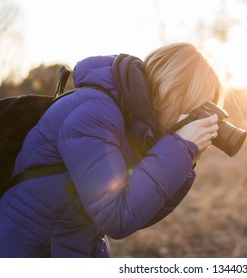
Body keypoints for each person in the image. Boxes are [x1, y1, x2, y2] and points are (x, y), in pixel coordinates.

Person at [0, 42, 223, 257]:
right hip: (24, 249)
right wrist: (180, 148)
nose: (191, 120)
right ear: (172, 92)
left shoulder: (134, 124)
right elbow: (117, 217)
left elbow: (141, 212)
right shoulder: (95, 111)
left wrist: (186, 161)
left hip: (65, 248)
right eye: (194, 109)